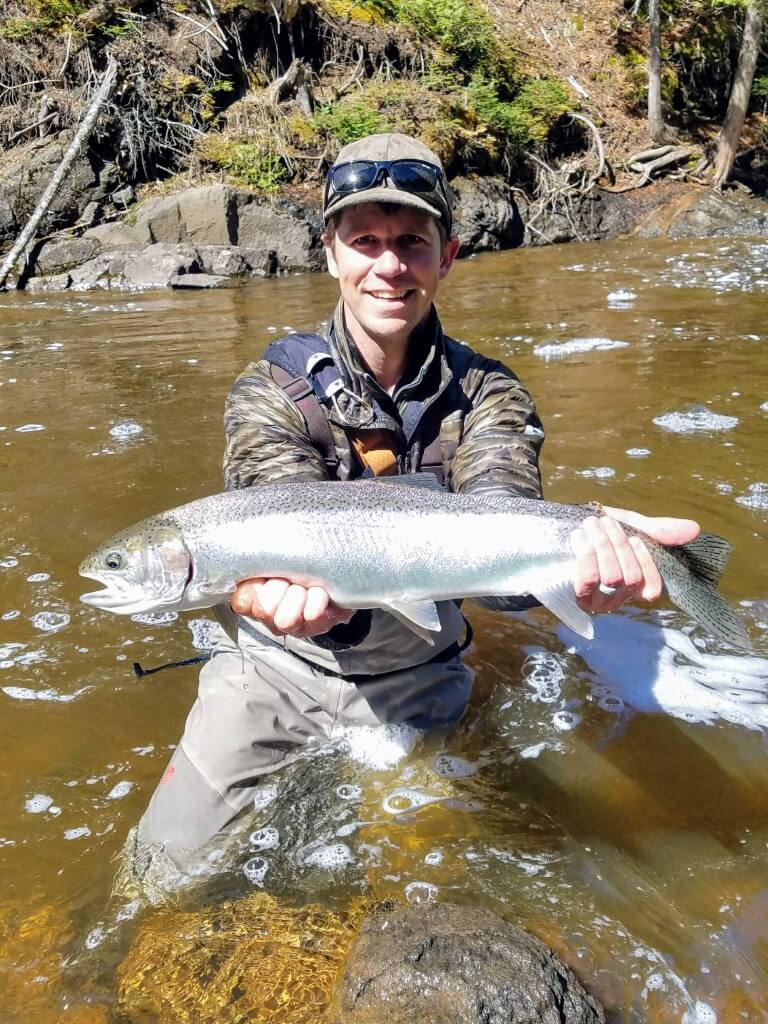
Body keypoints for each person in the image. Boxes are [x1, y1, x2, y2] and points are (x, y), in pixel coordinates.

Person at [125, 133, 699, 890]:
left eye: (411, 243)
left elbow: (501, 543)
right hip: (273, 673)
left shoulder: (490, 394)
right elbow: (270, 494)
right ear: (330, 252)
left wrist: (582, 553)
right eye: (365, 241)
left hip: (421, 678)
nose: (388, 266)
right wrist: (270, 600)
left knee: (439, 882)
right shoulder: (270, 388)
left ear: (447, 254)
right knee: (154, 881)